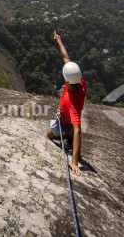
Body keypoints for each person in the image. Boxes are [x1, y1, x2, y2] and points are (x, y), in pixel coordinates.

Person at [47, 32, 87, 176]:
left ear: (66, 79)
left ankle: (67, 135)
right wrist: (59, 40)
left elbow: (78, 129)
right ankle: (67, 134)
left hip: (66, 124)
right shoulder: (80, 83)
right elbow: (66, 58)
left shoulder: (72, 104)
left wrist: (74, 161)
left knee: (49, 133)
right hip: (63, 117)